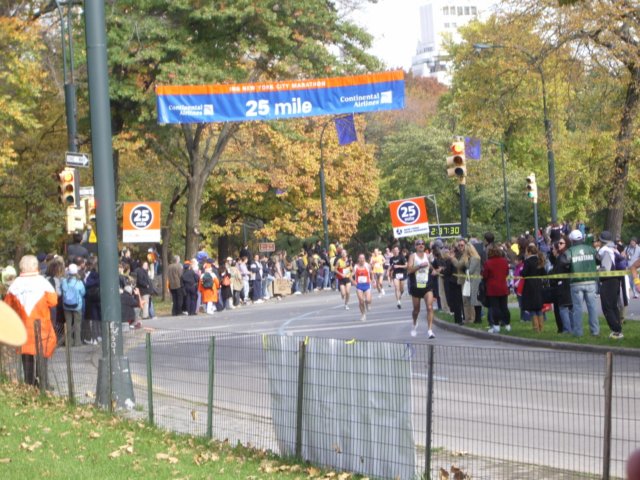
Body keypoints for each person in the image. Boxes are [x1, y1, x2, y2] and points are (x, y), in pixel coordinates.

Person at [4, 255, 58, 388]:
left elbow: (7, 306)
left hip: (23, 328)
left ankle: (29, 384)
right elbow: (53, 301)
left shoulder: (15, 285)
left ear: (21, 267)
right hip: (42, 328)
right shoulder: (43, 282)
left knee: (26, 356)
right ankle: (43, 383)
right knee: (42, 356)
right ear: (36, 267)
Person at [566, 229, 599, 336]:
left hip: (576, 283)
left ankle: (578, 332)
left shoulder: (570, 251)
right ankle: (595, 331)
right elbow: (599, 259)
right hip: (591, 282)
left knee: (577, 308)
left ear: (571, 240)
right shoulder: (591, 249)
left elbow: (564, 262)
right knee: (592, 307)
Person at [407, 239, 438, 339]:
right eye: (418, 244)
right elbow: (409, 270)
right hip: (416, 286)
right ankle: (414, 323)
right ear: (415, 246)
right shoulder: (412, 256)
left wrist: (434, 270)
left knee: (429, 307)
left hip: (427, 286)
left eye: (422, 244)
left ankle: (430, 330)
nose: (421, 245)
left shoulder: (427, 256)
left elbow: (431, 267)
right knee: (416, 310)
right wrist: (420, 266)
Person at [597, 231, 624, 339]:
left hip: (608, 281)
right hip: (616, 280)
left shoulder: (604, 250)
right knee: (613, 306)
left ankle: (616, 330)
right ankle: (618, 329)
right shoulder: (614, 248)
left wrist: (598, 270)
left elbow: (606, 268)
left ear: (601, 240)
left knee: (607, 307)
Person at [482, 244, 511, 333]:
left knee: (495, 308)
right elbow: (506, 273)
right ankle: (507, 324)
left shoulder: (488, 263)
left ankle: (496, 325)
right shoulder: (504, 261)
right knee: (504, 307)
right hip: (503, 287)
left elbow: (485, 275)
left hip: (492, 289)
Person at [549, 237, 573, 334]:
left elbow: (558, 273)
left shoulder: (562, 257)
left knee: (563, 308)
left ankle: (567, 329)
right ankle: (572, 328)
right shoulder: (563, 256)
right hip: (567, 284)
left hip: (563, 285)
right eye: (558, 243)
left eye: (561, 243)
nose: (559, 245)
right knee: (570, 308)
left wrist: (552, 275)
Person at [521, 243, 547, 333]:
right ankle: (541, 327)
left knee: (532, 307)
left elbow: (524, 274)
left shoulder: (527, 261)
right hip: (538, 285)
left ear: (529, 252)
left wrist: (521, 271)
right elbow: (544, 273)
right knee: (539, 307)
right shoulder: (539, 260)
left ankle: (536, 328)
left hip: (529, 286)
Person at [61, 263, 86, 347]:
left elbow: (62, 291)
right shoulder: (79, 282)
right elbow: (83, 292)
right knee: (77, 323)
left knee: (68, 323)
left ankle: (69, 342)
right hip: (77, 305)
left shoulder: (64, 281)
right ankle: (77, 341)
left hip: (66, 305)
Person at [352, 254, 372, 322]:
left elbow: (372, 272)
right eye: (360, 258)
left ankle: (368, 303)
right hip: (359, 285)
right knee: (361, 300)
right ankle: (363, 314)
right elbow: (350, 275)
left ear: (364, 259)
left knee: (368, 300)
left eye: (363, 258)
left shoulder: (367, 265)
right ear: (358, 259)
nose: (361, 259)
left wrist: (374, 280)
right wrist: (353, 281)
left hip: (367, 284)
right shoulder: (355, 267)